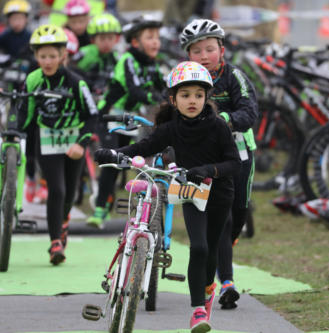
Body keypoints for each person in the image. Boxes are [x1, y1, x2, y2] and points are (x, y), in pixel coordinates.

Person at [94, 61, 240, 333]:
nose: (193, 101)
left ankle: (209, 288)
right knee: (198, 248)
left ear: (206, 97)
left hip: (220, 193)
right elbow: (144, 146)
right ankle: (198, 311)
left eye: (198, 95)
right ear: (173, 100)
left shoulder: (218, 127)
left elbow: (234, 164)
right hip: (191, 193)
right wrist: (114, 154)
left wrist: (208, 170)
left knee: (211, 249)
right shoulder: (171, 128)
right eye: (185, 96)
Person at [180, 18, 259, 309]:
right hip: (207, 161)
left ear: (222, 49)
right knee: (222, 220)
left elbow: (250, 110)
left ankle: (223, 250)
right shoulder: (185, 78)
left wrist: (224, 120)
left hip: (239, 154)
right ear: (188, 55)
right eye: (196, 51)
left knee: (238, 214)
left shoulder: (234, 76)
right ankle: (226, 282)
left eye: (209, 49)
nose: (204, 56)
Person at [18, 24, 98, 265]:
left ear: (63, 55)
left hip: (74, 141)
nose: (48, 61)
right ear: (36, 57)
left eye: (53, 56)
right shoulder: (33, 79)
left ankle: (63, 224)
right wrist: (16, 131)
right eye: (43, 56)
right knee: (57, 189)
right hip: (48, 141)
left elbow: (92, 116)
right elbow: (26, 111)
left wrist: (82, 144)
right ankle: (55, 243)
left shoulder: (76, 82)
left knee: (70, 194)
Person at [87, 15, 166, 227]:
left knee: (136, 162)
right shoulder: (127, 60)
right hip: (109, 115)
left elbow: (163, 87)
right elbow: (135, 90)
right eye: (150, 37)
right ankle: (101, 209)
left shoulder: (152, 64)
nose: (156, 42)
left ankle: (144, 208)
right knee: (113, 162)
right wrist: (157, 99)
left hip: (131, 118)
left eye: (157, 37)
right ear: (135, 42)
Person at [69, 12, 121, 92]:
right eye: (102, 39)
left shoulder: (116, 56)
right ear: (93, 40)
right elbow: (69, 68)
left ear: (116, 39)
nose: (106, 43)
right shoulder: (85, 52)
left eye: (110, 38)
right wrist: (90, 84)